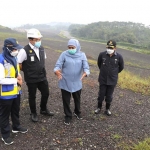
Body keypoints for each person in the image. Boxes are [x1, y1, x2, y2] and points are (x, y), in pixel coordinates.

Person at [17, 28, 54, 122]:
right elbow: (19, 63)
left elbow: (42, 61)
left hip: (42, 77)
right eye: (37, 39)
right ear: (31, 39)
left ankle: (43, 109)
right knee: (32, 96)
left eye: (39, 39)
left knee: (46, 93)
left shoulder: (41, 48)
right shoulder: (24, 50)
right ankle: (33, 113)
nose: (39, 41)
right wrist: (28, 71)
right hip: (31, 78)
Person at [54, 39, 90, 125]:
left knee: (77, 98)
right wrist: (56, 71)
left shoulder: (82, 55)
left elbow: (86, 67)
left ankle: (77, 112)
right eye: (69, 47)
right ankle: (68, 115)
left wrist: (86, 73)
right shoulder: (64, 54)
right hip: (65, 81)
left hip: (77, 81)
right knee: (66, 100)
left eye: (72, 47)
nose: (71, 49)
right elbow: (58, 65)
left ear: (77, 47)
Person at [0, 38, 28, 145]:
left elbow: (16, 71)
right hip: (5, 94)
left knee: (15, 110)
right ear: (8, 48)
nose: (16, 50)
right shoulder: (1, 60)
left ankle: (16, 126)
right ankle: (5, 135)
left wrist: (19, 77)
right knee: (4, 114)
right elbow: (0, 79)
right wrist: (15, 80)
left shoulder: (13, 58)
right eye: (14, 48)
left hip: (16, 91)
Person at [94, 40, 124, 115]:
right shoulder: (102, 54)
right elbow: (99, 64)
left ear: (115, 48)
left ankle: (107, 109)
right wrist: (104, 71)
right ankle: (98, 108)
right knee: (101, 94)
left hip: (112, 80)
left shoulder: (119, 57)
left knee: (109, 95)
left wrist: (114, 73)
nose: (109, 49)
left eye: (111, 48)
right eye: (108, 47)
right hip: (103, 79)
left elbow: (121, 67)